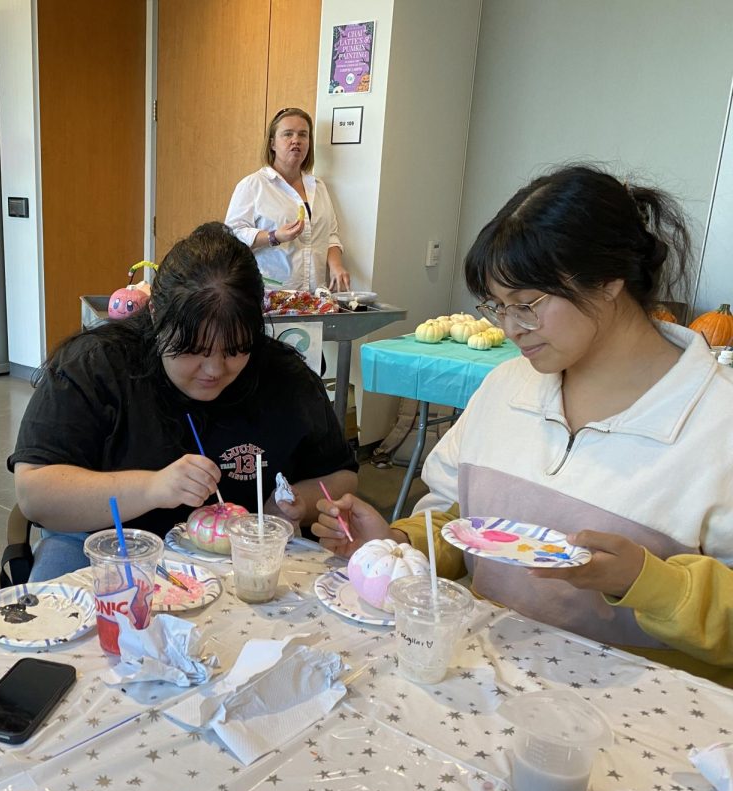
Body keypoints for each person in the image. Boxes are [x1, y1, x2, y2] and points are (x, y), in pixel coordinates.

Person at [313, 165, 733, 686]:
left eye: (527, 305)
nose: (511, 328)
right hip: (485, 689)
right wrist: (403, 546)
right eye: (497, 307)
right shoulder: (507, 388)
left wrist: (648, 582)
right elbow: (466, 526)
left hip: (640, 732)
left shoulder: (718, 426)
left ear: (607, 281)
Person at [10, 221, 359, 580]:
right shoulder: (98, 366)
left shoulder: (283, 377)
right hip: (105, 553)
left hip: (241, 560)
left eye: (236, 350)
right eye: (193, 349)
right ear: (156, 316)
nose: (214, 370)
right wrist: (153, 487)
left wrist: (287, 507)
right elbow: (35, 492)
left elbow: (341, 475)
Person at [225, 107, 350, 292]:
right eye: (288, 134)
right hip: (269, 296)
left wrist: (336, 267)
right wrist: (274, 236)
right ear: (272, 143)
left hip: (315, 298)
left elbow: (331, 236)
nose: (296, 140)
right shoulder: (253, 185)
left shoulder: (319, 187)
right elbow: (232, 235)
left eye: (303, 135)